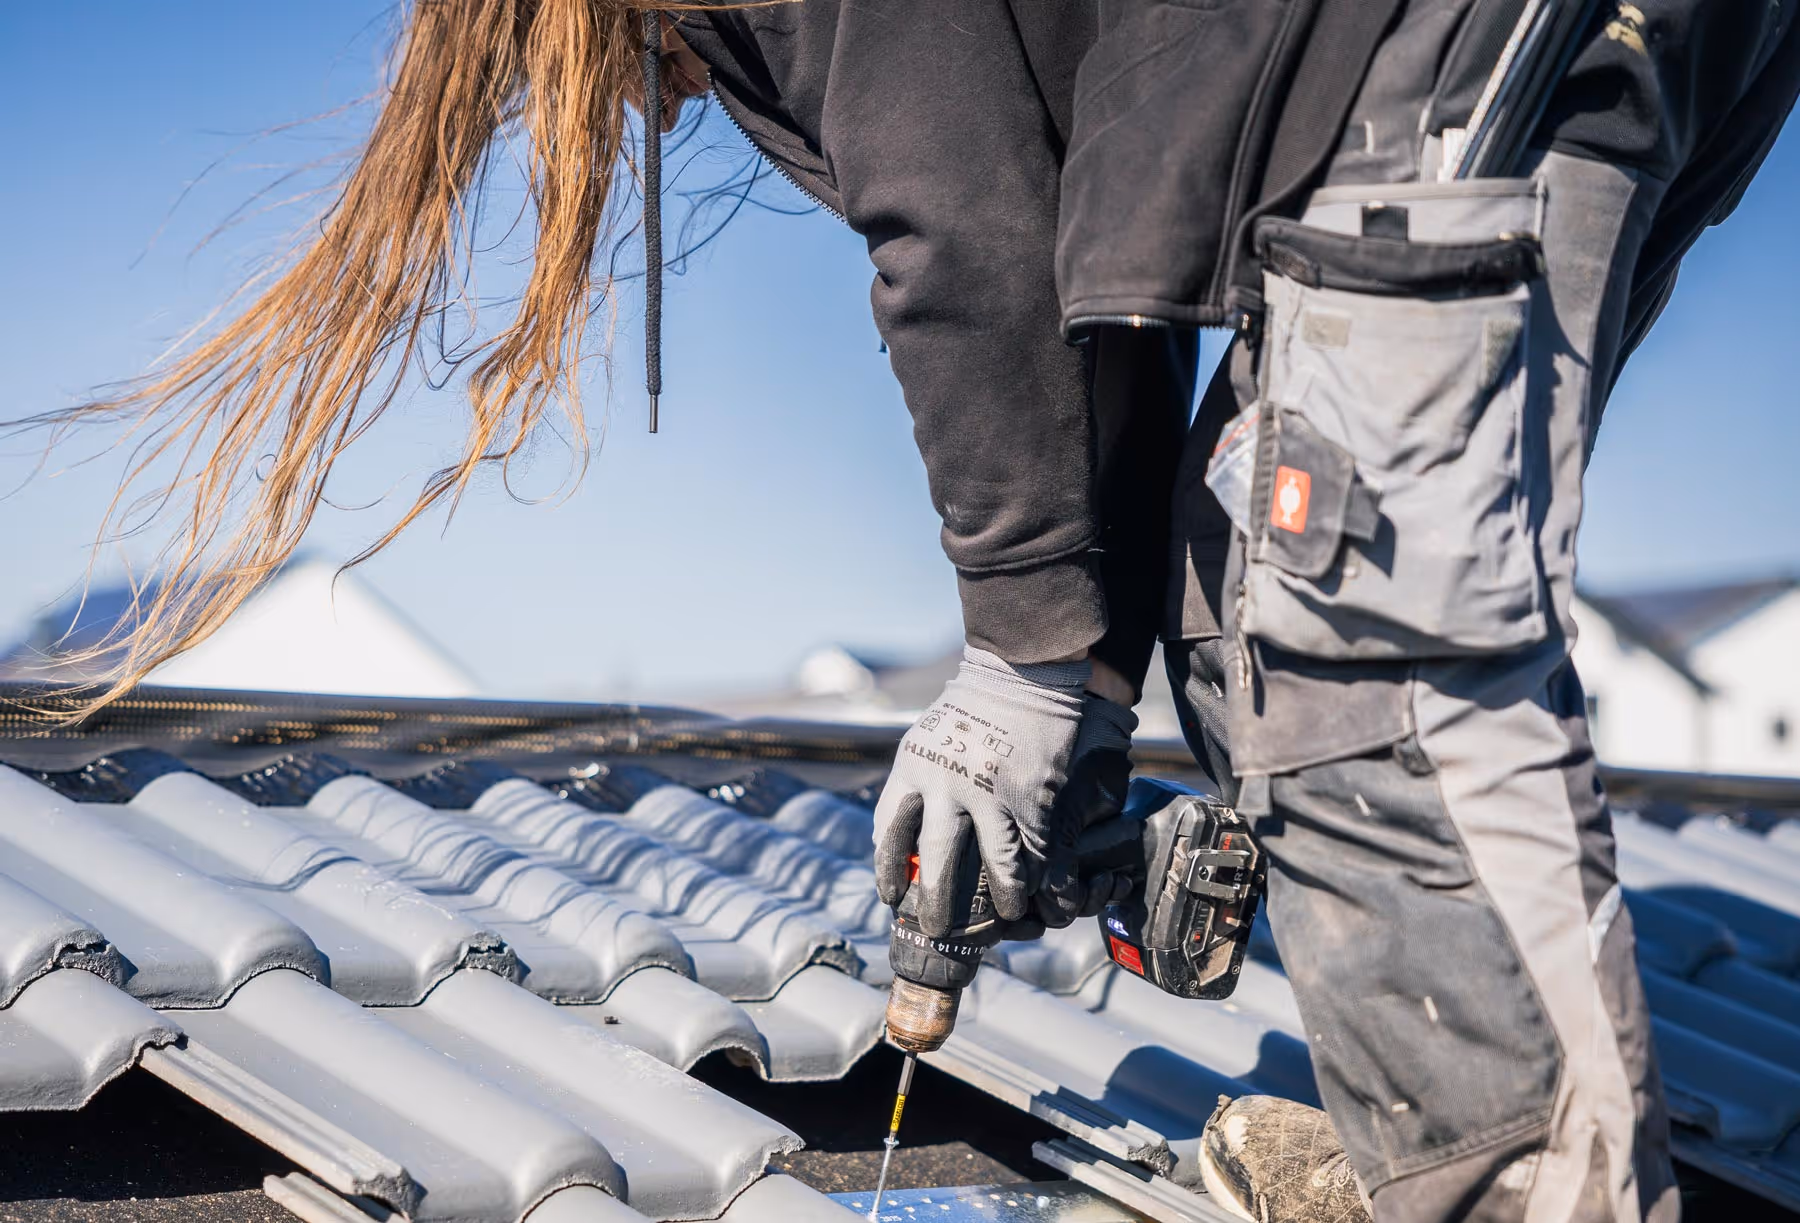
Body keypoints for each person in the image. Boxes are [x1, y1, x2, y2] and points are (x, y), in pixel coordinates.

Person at [24, 6, 1184, 947]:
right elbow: (1119, 307)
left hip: (1342, 192)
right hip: (1301, 199)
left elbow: (970, 246)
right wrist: (1101, 682)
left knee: (1306, 697)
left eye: (572, 71)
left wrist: (1019, 660)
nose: (657, 111)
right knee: (1250, 662)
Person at [1051, 0, 1800, 1219]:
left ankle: (1522, 1188)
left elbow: (959, 241)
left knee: (1353, 661)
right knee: (1247, 580)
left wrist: (1031, 661)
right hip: (1607, 73)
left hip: (1470, 56)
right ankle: (1471, 1161)